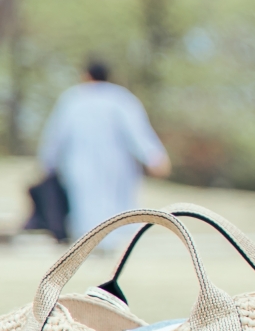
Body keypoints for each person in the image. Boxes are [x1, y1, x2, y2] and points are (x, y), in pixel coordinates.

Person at [37, 59, 170, 247]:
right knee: (112, 206)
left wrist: (47, 162)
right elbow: (138, 132)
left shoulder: (73, 99)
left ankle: (89, 246)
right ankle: (108, 245)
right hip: (116, 165)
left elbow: (56, 135)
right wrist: (154, 157)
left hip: (80, 165)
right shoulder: (121, 98)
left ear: (86, 75)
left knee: (85, 205)